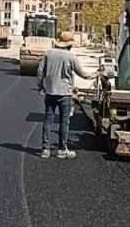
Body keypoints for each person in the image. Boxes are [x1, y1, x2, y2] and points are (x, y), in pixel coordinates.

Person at [36, 31, 93, 159]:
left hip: (50, 92)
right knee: (64, 122)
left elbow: (40, 72)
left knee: (48, 120)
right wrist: (98, 74)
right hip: (65, 94)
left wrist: (40, 86)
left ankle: (45, 149)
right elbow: (83, 74)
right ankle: (62, 150)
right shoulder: (71, 57)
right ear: (70, 44)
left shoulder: (48, 54)